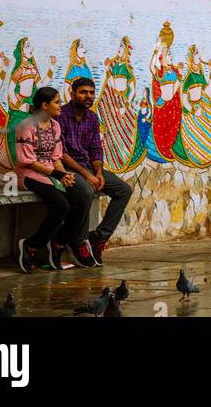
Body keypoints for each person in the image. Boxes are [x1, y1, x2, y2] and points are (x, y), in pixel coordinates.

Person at [15, 86, 96, 273]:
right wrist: (57, 175)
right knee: (61, 205)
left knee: (83, 197)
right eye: (57, 102)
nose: (61, 106)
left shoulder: (55, 126)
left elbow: (57, 157)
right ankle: (32, 245)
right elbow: (28, 161)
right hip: (30, 174)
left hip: (52, 173)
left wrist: (64, 175)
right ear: (45, 105)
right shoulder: (26, 126)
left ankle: (59, 242)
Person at [59, 77, 133, 264]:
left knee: (124, 190)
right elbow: (61, 153)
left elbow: (96, 149)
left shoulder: (92, 117)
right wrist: (87, 175)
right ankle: (79, 241)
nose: (88, 96)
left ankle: (99, 236)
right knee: (86, 190)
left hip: (90, 167)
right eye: (84, 92)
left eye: (91, 93)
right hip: (67, 168)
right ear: (72, 93)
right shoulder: (60, 116)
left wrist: (98, 172)